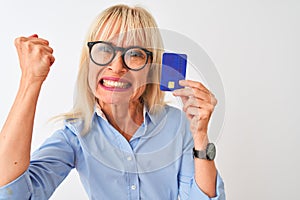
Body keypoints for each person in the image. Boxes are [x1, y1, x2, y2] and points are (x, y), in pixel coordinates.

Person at [0, 4, 225, 200]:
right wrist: (31, 80)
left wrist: (201, 138)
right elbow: (14, 195)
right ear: (88, 62)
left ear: (152, 68)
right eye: (104, 50)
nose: (117, 67)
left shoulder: (178, 125)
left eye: (135, 54)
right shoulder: (76, 134)